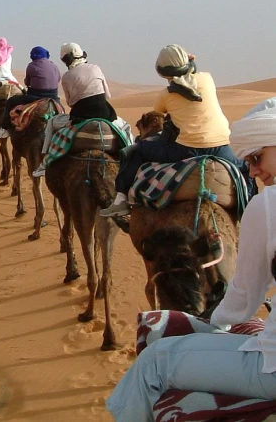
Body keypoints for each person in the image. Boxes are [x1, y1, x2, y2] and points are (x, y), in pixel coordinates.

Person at [105, 97, 276, 422]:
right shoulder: (203, 87)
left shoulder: (268, 205)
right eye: (249, 162)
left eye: (257, 157)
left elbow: (243, 301)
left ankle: (119, 197)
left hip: (270, 368)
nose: (253, 170)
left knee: (153, 362)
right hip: (214, 147)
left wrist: (214, 325)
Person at [101, 44, 249, 217]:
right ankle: (251, 206)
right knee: (246, 168)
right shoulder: (207, 79)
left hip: (186, 150)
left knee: (136, 151)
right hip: (222, 148)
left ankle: (121, 200)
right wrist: (190, 62)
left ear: (163, 72)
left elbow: (157, 114)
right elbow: (192, 75)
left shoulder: (166, 95)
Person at [32, 43, 118, 177]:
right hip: (105, 115)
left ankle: (45, 163)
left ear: (66, 59)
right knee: (124, 129)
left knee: (51, 123)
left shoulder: (66, 77)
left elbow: (71, 102)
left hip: (80, 118)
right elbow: (107, 95)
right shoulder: (96, 68)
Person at [0, 45, 61, 139]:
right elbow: (58, 79)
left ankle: (4, 128)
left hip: (36, 96)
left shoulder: (32, 65)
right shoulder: (54, 65)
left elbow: (27, 82)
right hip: (53, 97)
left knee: (11, 101)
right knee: (61, 112)